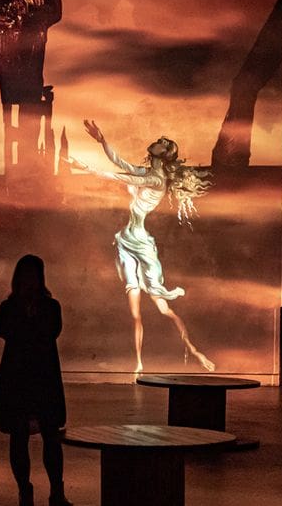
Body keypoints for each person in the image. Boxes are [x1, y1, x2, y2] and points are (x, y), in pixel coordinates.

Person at [66, 120, 215, 374]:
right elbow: (120, 163)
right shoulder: (148, 174)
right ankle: (138, 364)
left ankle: (193, 349)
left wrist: (87, 168)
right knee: (135, 312)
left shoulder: (156, 180)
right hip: (126, 242)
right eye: (160, 140)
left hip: (143, 246)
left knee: (162, 307)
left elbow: (118, 175)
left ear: (165, 154)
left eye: (163, 143)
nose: (158, 142)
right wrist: (102, 139)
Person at [0, 255, 72, 506]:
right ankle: (37, 489)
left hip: (25, 376)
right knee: (28, 437)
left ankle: (44, 490)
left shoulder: (39, 306)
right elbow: (6, 330)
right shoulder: (39, 307)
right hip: (38, 375)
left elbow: (6, 331)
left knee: (45, 436)